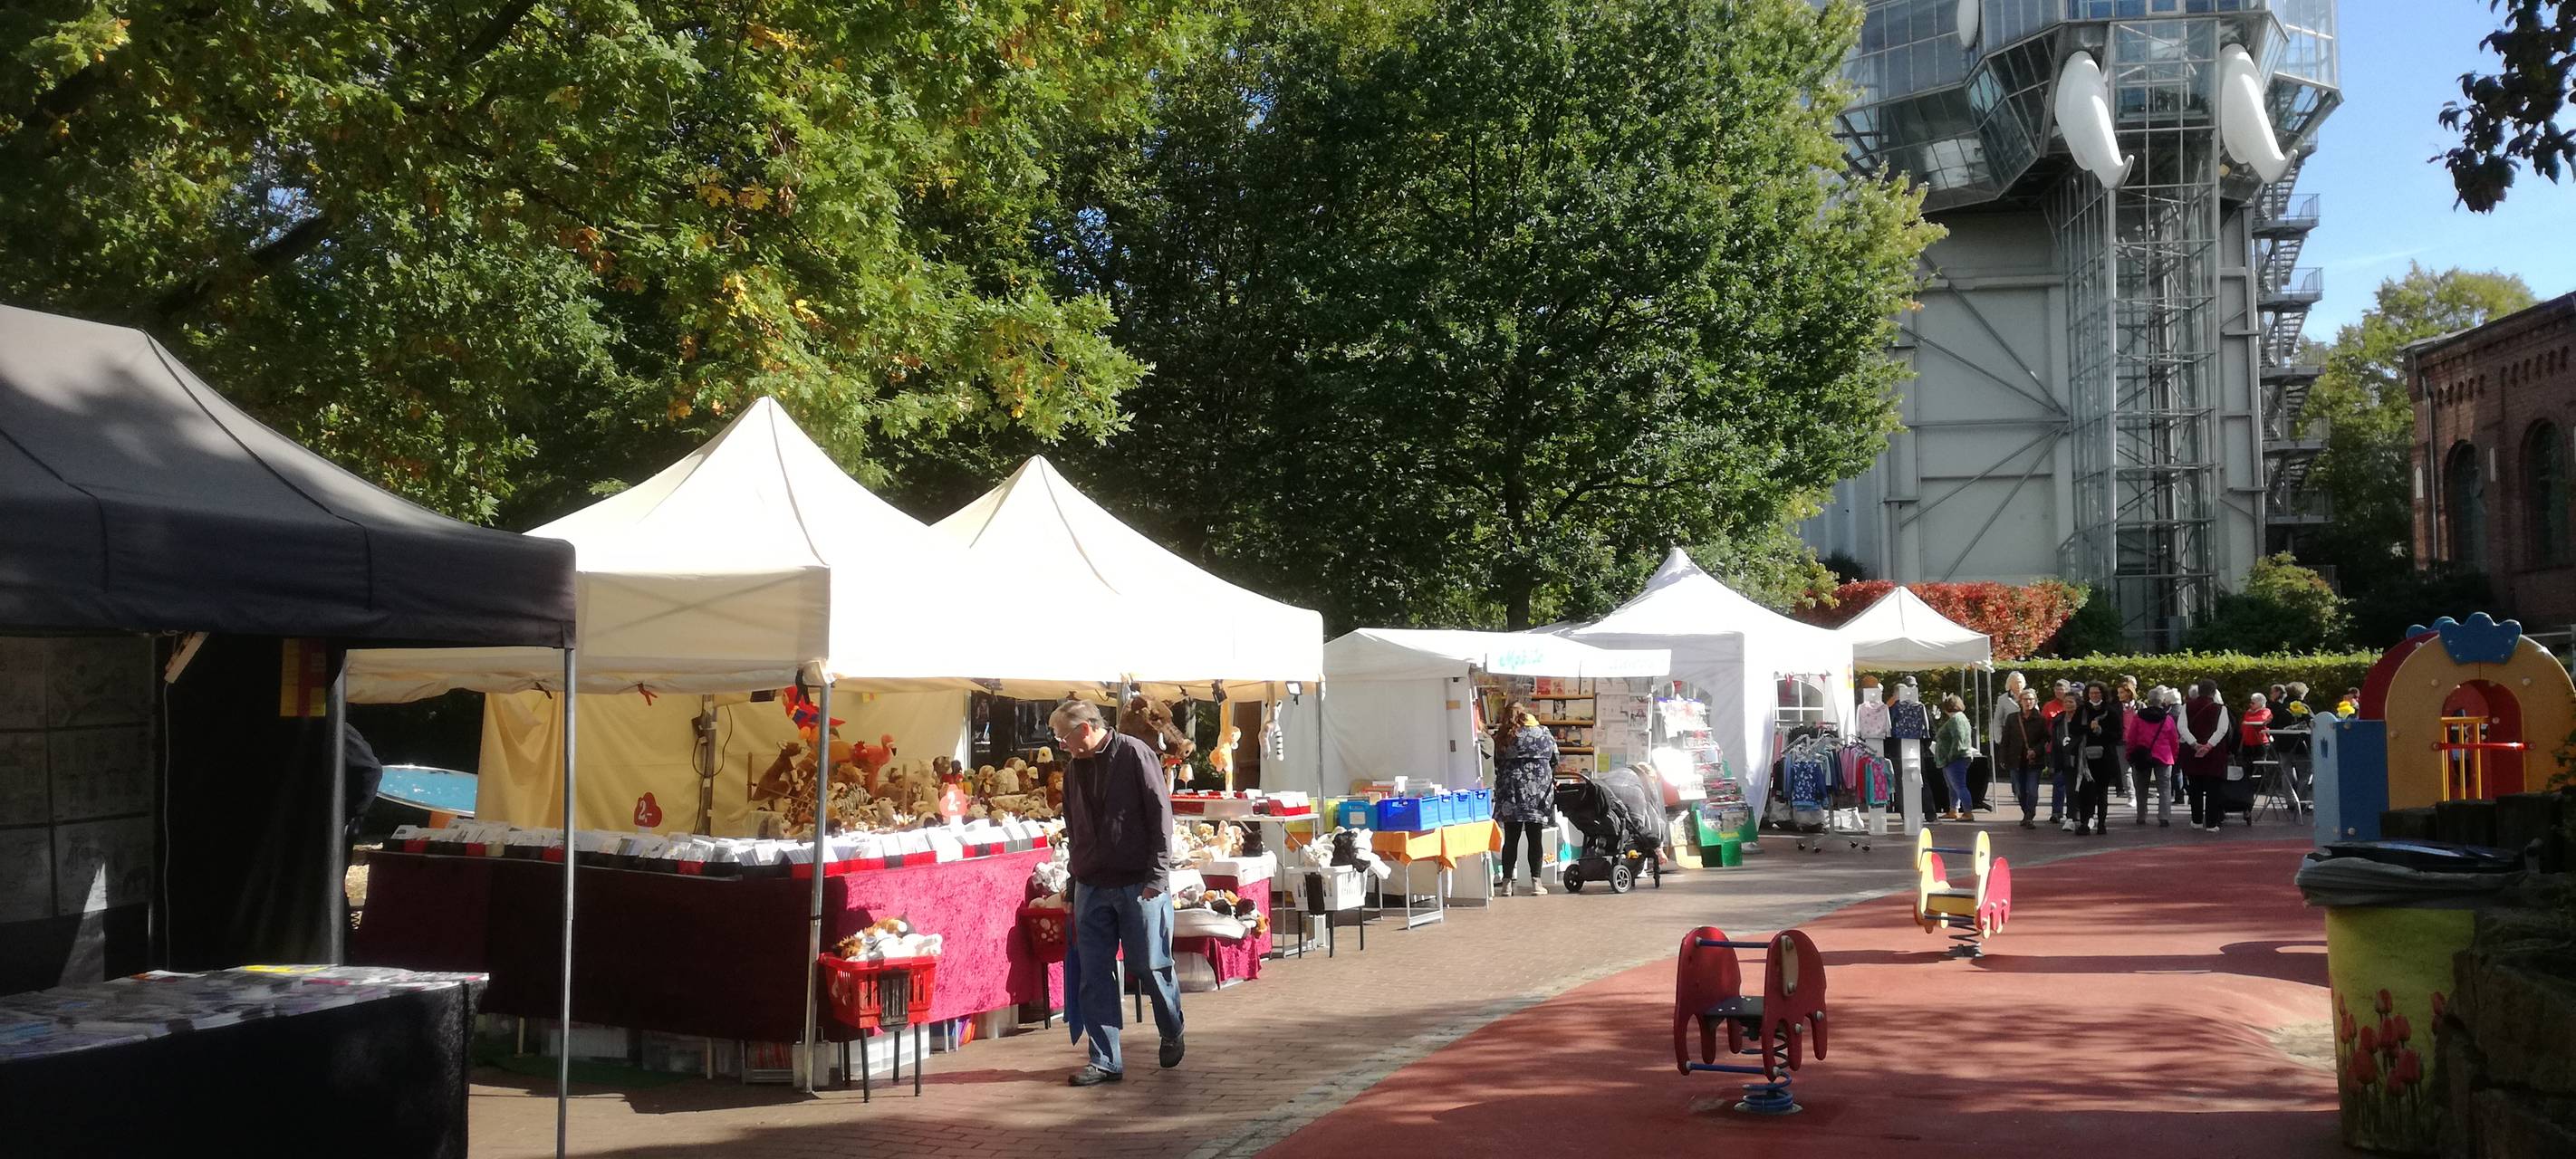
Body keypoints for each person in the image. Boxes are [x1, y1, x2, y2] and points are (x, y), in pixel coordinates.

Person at [1052, 698, 1183, 1086]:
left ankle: (1172, 1026)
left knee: (1150, 965)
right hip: (1092, 883)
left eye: (1063, 737)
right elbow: (1074, 826)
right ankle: (1105, 1058)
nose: (1061, 745)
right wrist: (1074, 880)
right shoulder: (1074, 769)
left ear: (1085, 729)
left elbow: (1160, 815)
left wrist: (1157, 876)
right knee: (1094, 974)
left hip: (1138, 882)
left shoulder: (1135, 754)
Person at [1491, 702, 1559, 896]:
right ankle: (1536, 884)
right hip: (1537, 793)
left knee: (1511, 840)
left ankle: (1506, 884)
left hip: (1511, 792)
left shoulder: (1503, 736)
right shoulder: (1543, 733)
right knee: (1535, 838)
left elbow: (1496, 762)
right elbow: (1555, 758)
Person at [2177, 680, 2234, 831]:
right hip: (2214, 754)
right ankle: (2211, 823)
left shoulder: (2186, 707)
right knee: (2213, 790)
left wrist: (2194, 744)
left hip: (2192, 753)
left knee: (2195, 788)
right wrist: (2209, 745)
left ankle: (2196, 820)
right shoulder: (2221, 709)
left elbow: (2182, 727)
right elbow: (2222, 730)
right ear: (2214, 692)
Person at [2125, 686, 2181, 828]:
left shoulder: (2138, 717)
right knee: (2164, 787)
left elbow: (2132, 737)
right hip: (2164, 756)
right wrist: (2174, 756)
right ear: (2162, 701)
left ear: (2148, 700)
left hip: (2142, 755)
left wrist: (2129, 754)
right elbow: (2174, 740)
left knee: (2141, 787)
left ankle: (2141, 815)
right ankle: (2164, 816)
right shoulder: (2167, 719)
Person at [2073, 681, 2122, 835]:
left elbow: (2117, 735)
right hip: (2085, 759)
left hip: (2104, 758)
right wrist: (2089, 728)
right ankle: (2085, 823)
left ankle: (2101, 823)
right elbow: (2074, 729)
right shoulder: (2081, 710)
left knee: (2102, 793)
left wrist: (2101, 731)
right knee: (2085, 793)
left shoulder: (2111, 711)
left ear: (2103, 694)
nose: (2094, 695)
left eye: (2097, 693)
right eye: (2092, 693)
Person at [2002, 687, 2050, 829]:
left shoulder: (2040, 719)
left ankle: (2030, 815)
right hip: (2016, 760)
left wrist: (2035, 751)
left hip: (2034, 761)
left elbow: (2046, 738)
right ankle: (2026, 813)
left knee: (2032, 789)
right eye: (2025, 699)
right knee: (2020, 791)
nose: (2028, 702)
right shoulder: (2012, 718)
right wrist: (2003, 758)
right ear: (2020, 701)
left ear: (2035, 701)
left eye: (2031, 699)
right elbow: (2006, 740)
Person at [1933, 694, 1976, 821]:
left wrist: (1950, 757)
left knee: (1959, 786)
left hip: (1956, 759)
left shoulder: (1956, 719)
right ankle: (1953, 810)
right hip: (1956, 758)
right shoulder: (1959, 718)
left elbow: (1958, 739)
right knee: (1953, 787)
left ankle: (1968, 812)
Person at [2048, 685, 2081, 829]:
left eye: (2071, 702)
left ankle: (2079, 814)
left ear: (2077, 703)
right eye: (2066, 702)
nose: (2068, 704)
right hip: (2064, 758)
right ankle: (2068, 816)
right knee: (2067, 787)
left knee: (2079, 789)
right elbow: (2054, 741)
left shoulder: (2082, 719)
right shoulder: (2058, 720)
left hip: (2080, 759)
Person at [2240, 691, 2276, 787]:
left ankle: (2263, 786)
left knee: (2261, 765)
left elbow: (2262, 720)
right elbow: (2245, 720)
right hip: (2247, 742)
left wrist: (2250, 720)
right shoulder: (2248, 712)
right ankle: (2247, 785)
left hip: (2261, 742)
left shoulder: (2266, 711)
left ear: (2260, 703)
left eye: (2253, 703)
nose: (2250, 705)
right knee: (2247, 765)